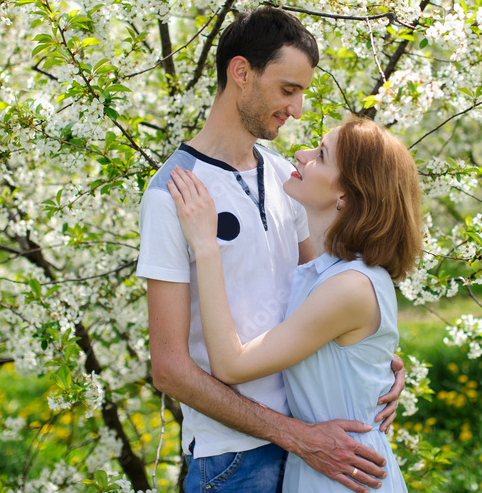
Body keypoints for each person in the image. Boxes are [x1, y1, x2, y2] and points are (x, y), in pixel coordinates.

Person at [137, 7, 404, 493]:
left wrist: (378, 357)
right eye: (288, 89)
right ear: (241, 73)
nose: (297, 109)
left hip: (319, 445)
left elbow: (320, 292)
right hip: (234, 460)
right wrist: (294, 435)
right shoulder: (171, 194)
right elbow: (170, 367)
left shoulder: (288, 177)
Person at [168, 117, 422, 493]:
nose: (300, 156)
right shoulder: (328, 272)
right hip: (330, 467)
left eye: (320, 155)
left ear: (346, 197)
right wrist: (383, 365)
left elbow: (229, 365)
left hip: (342, 474)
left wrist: (206, 246)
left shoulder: (349, 286)